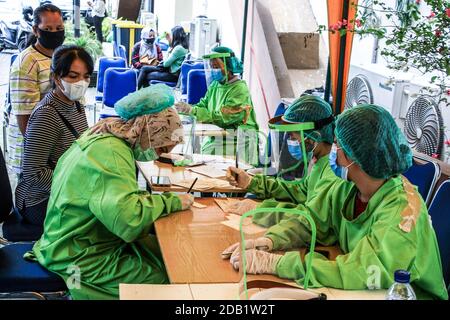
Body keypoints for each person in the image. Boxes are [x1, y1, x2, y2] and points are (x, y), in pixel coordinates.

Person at [222, 104, 448, 300]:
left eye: (337, 144)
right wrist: (269, 241)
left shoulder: (402, 212)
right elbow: (311, 221)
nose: (333, 151)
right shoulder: (348, 186)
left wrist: (278, 265)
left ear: (354, 156)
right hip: (364, 288)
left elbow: (364, 271)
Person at [28, 84, 195, 300]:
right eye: (161, 147)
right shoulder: (112, 154)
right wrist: (170, 203)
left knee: (161, 252)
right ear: (146, 129)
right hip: (77, 258)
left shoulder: (102, 135)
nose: (157, 156)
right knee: (166, 279)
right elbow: (128, 221)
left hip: (66, 240)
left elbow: (113, 195)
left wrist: (152, 201)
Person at [11, 45, 92, 233]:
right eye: (73, 76)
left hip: (65, 190)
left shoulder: (76, 106)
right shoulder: (47, 114)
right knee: (101, 218)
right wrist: (75, 185)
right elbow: (33, 173)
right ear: (56, 77)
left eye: (86, 76)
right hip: (38, 200)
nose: (81, 82)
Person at [226, 95, 339, 227]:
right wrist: (251, 182)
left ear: (313, 136)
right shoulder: (319, 161)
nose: (290, 139)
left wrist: (260, 210)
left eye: (293, 134)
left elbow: (311, 218)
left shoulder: (333, 172)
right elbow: (299, 192)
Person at [7, 4, 65, 176]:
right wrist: (41, 153)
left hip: (53, 146)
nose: (54, 32)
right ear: (36, 30)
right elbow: (24, 117)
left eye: (59, 28)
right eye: (48, 28)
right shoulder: (27, 61)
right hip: (34, 152)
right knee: (33, 200)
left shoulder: (59, 56)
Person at [175, 46, 258, 164]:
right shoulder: (215, 85)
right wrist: (186, 108)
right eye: (212, 67)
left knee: (204, 163)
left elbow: (224, 117)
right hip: (218, 136)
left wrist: (193, 111)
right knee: (197, 157)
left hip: (238, 140)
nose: (213, 70)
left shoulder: (239, 89)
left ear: (228, 66)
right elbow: (203, 105)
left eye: (216, 67)